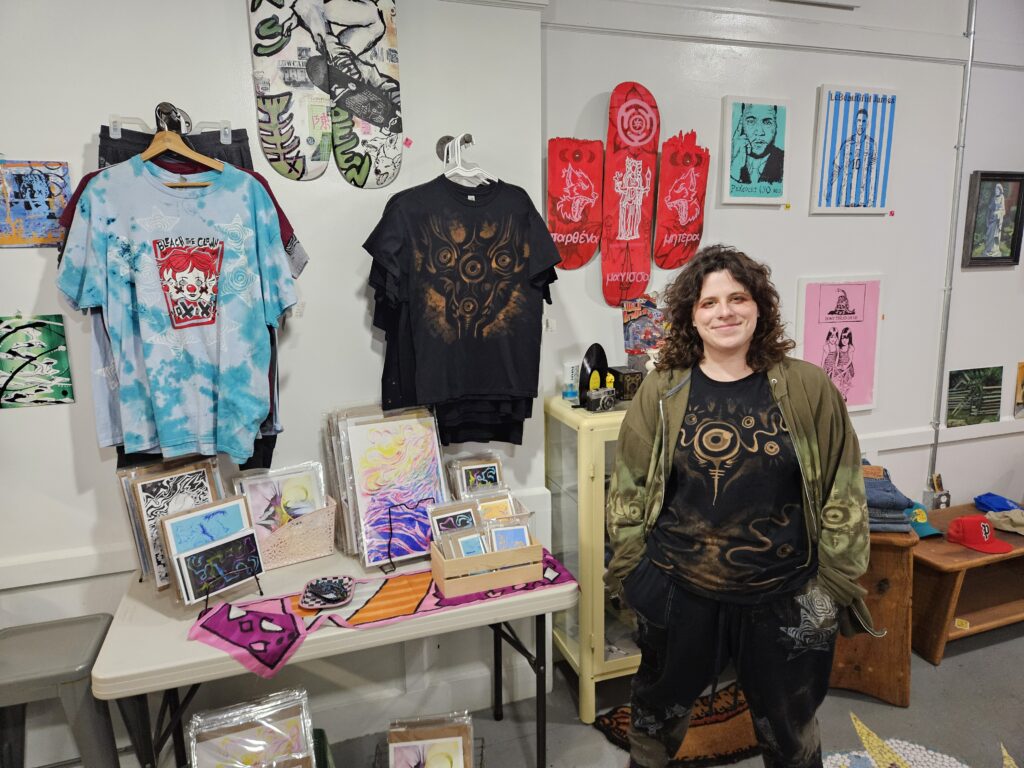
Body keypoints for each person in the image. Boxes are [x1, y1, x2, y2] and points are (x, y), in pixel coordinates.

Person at [605, 245, 874, 768]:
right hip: (680, 590)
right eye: (708, 303)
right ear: (691, 315)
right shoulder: (662, 389)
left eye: (737, 298)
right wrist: (634, 575)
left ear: (759, 308)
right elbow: (629, 488)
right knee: (656, 720)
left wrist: (834, 585)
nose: (724, 312)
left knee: (791, 729)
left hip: (787, 592)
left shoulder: (807, 386)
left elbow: (844, 484)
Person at [828, 108, 876, 207]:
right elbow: (836, 168)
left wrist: (871, 199)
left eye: (863, 121)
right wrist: (828, 188)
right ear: (855, 122)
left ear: (867, 123)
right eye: (859, 120)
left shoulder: (871, 145)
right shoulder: (847, 144)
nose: (860, 124)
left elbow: (873, 172)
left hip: (862, 201)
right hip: (845, 199)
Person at [729, 103, 784, 186]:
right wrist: (734, 168)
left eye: (767, 122)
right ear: (742, 124)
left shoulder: (784, 161)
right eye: (751, 121)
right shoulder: (732, 159)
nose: (759, 132)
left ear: (776, 126)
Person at [982, 183, 1006, 258]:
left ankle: (994, 250)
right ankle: (988, 250)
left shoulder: (1002, 197)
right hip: (991, 219)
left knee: (995, 236)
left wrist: (998, 212)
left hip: (997, 221)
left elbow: (1003, 210)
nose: (996, 191)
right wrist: (989, 216)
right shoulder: (993, 198)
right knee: (989, 234)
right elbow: (990, 208)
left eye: (997, 189)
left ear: (1000, 190)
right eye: (995, 189)